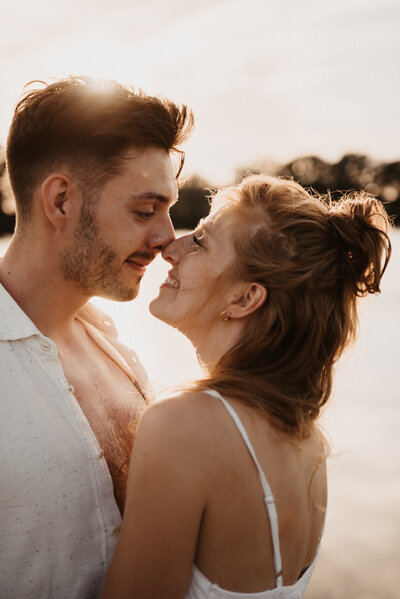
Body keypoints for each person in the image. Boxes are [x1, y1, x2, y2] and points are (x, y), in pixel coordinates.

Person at [101, 174, 391, 599]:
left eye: (199, 241)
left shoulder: (183, 426)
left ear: (243, 299)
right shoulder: (308, 442)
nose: (171, 249)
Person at [0, 76, 193, 598]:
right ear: (61, 201)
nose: (165, 238)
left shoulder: (114, 344)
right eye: (144, 210)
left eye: (169, 210)